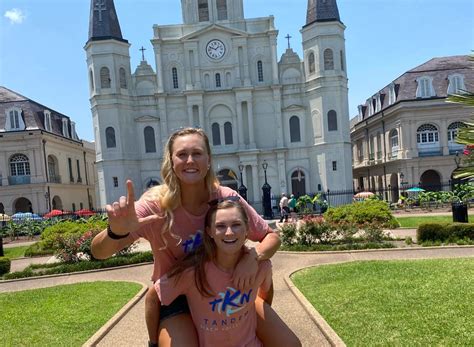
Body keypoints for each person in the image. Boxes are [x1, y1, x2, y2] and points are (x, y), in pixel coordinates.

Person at [91, 127, 299, 347]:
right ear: (171, 161)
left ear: (208, 160)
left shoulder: (225, 198)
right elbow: (99, 252)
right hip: (178, 298)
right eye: (182, 154)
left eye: (197, 153)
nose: (190, 160)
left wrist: (252, 257)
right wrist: (117, 231)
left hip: (223, 290)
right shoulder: (154, 206)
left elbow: (270, 237)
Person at [155, 199, 300, 346]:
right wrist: (153, 342)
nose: (229, 233)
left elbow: (265, 295)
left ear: (247, 229)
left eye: (236, 225)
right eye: (220, 226)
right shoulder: (192, 273)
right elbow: (153, 296)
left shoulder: (260, 265)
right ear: (209, 232)